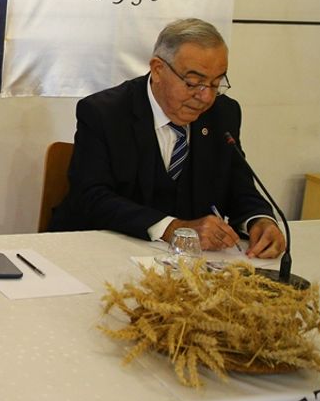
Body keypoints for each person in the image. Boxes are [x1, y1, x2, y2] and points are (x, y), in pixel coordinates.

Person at [50, 18, 285, 257]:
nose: (206, 97)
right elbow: (91, 197)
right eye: (193, 83)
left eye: (215, 84)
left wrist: (259, 220)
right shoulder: (104, 113)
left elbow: (239, 186)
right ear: (158, 70)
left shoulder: (223, 114)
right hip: (105, 250)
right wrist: (172, 228)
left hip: (189, 261)